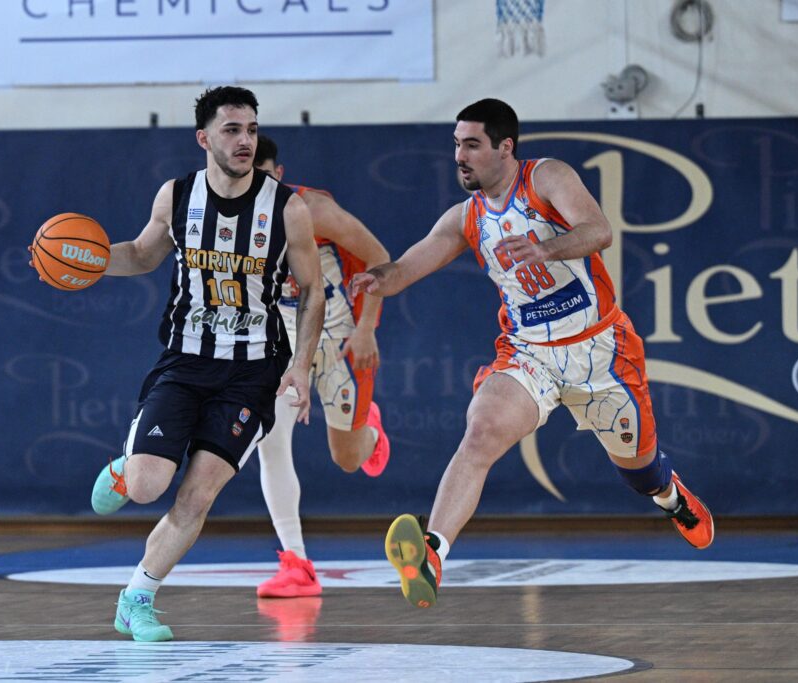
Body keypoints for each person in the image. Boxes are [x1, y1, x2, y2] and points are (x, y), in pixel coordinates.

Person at [351, 98, 714, 609]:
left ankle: (672, 499)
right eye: (456, 144)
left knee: (642, 472)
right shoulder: (465, 217)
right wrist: (378, 279)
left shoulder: (546, 178)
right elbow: (407, 267)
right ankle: (431, 553)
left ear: (505, 147)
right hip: (529, 355)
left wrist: (544, 247)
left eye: (472, 145)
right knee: (481, 431)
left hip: (601, 350)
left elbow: (599, 231)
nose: (459, 156)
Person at [78, 87, 325, 642]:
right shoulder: (177, 195)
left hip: (253, 372)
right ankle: (125, 469)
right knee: (147, 487)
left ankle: (136, 598)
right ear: (204, 138)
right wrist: (85, 260)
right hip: (186, 361)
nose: (244, 140)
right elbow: (141, 254)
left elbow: (313, 290)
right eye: (232, 130)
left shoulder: (287, 208)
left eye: (251, 129)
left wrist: (301, 365)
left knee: (198, 494)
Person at [252, 135, 390, 599]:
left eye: (264, 177)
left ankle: (370, 433)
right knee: (270, 442)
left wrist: (367, 328)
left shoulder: (312, 209)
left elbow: (379, 257)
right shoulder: (230, 221)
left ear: (279, 174)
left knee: (347, 459)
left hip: (339, 335)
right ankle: (297, 564)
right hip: (284, 345)